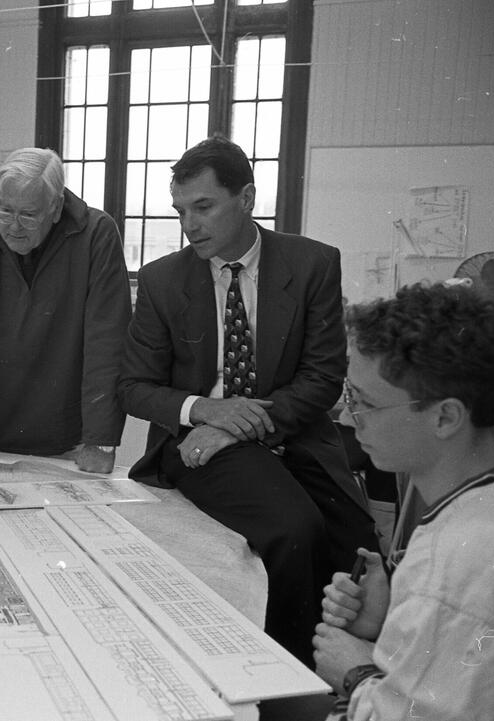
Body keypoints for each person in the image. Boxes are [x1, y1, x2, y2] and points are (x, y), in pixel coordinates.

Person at [117, 135, 378, 665]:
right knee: (293, 529)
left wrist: (237, 424)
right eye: (181, 210)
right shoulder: (164, 279)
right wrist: (206, 411)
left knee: (357, 543)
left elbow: (323, 377)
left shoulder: (312, 265)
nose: (190, 225)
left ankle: (345, 670)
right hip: (198, 443)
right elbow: (134, 388)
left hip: (292, 431)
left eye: (204, 207)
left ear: (248, 198)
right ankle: (283, 675)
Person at [313, 283, 494, 721]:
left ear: (445, 417)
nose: (350, 419)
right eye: (348, 397)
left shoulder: (454, 569)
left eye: (363, 403)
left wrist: (354, 671)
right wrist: (390, 619)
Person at [0, 148, 131, 473]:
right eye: (4, 211)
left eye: (28, 215)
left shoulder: (96, 234)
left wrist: (100, 441)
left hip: (71, 438)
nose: (13, 227)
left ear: (55, 209)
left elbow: (107, 344)